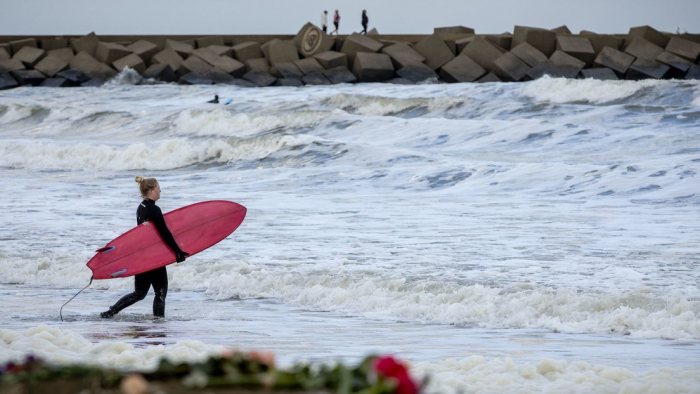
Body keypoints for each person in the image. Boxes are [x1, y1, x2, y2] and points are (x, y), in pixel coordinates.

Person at [100, 176, 189, 318]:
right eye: (158, 188)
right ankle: (158, 325)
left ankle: (110, 312)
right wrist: (177, 252)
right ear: (150, 190)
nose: (160, 190)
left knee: (139, 293)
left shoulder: (141, 207)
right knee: (160, 293)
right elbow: (164, 233)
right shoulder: (154, 209)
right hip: (153, 258)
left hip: (141, 256)